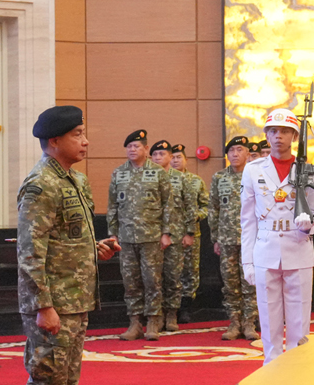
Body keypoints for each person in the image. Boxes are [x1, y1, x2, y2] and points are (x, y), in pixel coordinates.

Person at [16, 105, 123, 385]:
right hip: (53, 303)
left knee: (63, 384)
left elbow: (64, 239)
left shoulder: (73, 180)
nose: (86, 141)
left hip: (75, 299)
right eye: (77, 134)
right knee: (46, 382)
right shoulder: (41, 185)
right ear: (54, 141)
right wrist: (43, 305)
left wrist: (95, 248)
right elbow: (30, 251)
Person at [239, 107, 314, 359]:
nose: (278, 136)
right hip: (265, 248)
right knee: (268, 317)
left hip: (298, 246)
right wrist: (247, 261)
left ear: (295, 136)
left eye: (285, 131)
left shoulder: (309, 169)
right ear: (266, 135)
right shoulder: (253, 170)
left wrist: (310, 224)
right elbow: (247, 220)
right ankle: (271, 367)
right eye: (273, 131)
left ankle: (298, 368)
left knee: (299, 318)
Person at [108, 129, 167, 341]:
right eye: (129, 147)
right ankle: (134, 323)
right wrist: (112, 233)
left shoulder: (158, 172)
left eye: (136, 146)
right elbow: (112, 205)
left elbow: (168, 205)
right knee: (130, 282)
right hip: (126, 237)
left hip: (151, 236)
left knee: (152, 281)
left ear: (146, 149)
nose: (132, 150)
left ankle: (153, 321)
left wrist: (166, 233)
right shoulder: (118, 173)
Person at [209, 136, 256, 342]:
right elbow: (213, 208)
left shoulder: (255, 176)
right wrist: (215, 237)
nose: (235, 154)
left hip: (251, 239)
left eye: (239, 150)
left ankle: (249, 323)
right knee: (230, 284)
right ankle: (234, 323)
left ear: (248, 154)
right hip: (227, 239)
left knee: (250, 282)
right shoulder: (219, 177)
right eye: (231, 151)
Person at [158, 140, 207, 335]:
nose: (176, 160)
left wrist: (194, 218)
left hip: (190, 232)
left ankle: (185, 308)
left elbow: (205, 206)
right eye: (174, 157)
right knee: (170, 272)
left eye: (180, 157)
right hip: (169, 233)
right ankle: (166, 310)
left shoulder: (195, 181)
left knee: (189, 272)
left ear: (186, 160)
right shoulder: (161, 178)